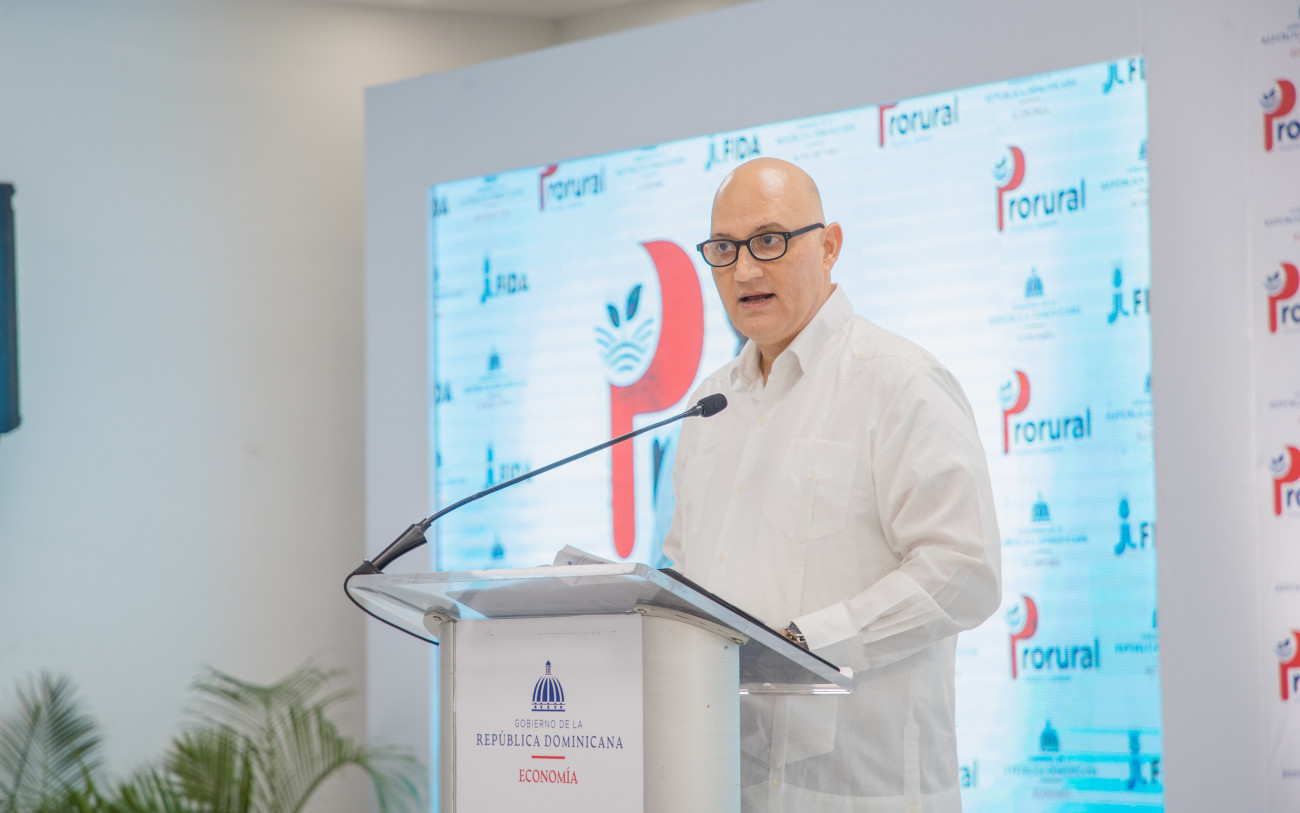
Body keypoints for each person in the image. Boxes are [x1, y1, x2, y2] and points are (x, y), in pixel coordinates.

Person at [663, 157, 1001, 813]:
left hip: (860, 792)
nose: (745, 270)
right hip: (720, 784)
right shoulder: (709, 405)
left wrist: (802, 645)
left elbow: (965, 570)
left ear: (829, 245)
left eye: (769, 240)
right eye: (724, 249)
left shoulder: (898, 381)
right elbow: (686, 570)